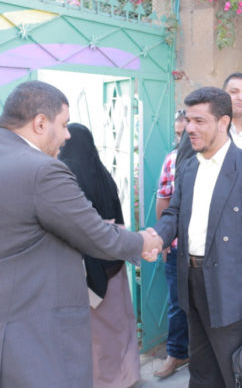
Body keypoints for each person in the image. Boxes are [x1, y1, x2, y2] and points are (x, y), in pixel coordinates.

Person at [0, 81, 161, 387]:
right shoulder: (43, 170)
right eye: (63, 124)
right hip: (31, 327)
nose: (67, 135)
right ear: (40, 123)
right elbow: (96, 234)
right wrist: (144, 241)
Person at [153, 86, 242, 388]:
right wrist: (156, 237)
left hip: (233, 289)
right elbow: (174, 213)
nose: (190, 128)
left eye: (199, 121)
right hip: (191, 283)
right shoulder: (187, 167)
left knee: (235, 371)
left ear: (223, 122)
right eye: (188, 120)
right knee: (201, 370)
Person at [59, 123, 141, 388]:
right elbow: (118, 222)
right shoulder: (104, 175)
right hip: (114, 264)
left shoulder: (66, 178)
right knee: (121, 325)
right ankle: (128, 376)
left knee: (96, 334)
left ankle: (103, 382)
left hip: (87, 270)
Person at [153, 110, 190, 378]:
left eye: (184, 132)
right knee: (177, 303)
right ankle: (176, 353)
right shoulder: (172, 159)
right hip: (178, 247)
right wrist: (164, 240)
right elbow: (163, 200)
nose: (181, 138)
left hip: (212, 249)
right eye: (177, 133)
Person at [176, 72, 242, 174]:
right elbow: (182, 169)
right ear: (224, 95)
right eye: (234, 92)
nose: (240, 97)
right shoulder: (200, 127)